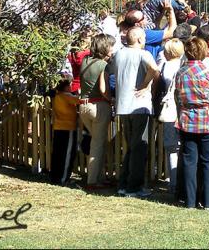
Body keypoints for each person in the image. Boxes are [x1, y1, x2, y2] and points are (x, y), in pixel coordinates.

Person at [106, 26, 159, 198]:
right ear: (138, 39)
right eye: (143, 37)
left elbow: (109, 71)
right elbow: (155, 69)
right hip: (139, 105)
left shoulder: (119, 54)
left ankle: (124, 184)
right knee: (139, 148)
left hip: (123, 106)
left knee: (131, 147)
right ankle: (134, 187)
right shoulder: (143, 54)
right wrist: (145, 85)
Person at [175, 36, 209, 210]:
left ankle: (189, 200)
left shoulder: (180, 72)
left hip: (187, 119)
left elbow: (177, 94)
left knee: (189, 161)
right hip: (208, 119)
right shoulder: (208, 71)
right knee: (208, 162)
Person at [78, 33, 114, 191]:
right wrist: (111, 100)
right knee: (98, 145)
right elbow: (103, 89)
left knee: (96, 141)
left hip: (83, 106)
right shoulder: (103, 65)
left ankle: (100, 177)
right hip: (98, 106)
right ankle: (93, 181)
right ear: (105, 47)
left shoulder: (85, 61)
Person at [157, 38, 184, 193]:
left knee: (171, 148)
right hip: (182, 109)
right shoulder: (182, 65)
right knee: (182, 147)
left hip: (169, 109)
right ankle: (179, 180)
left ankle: (173, 181)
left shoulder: (165, 66)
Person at [49, 77, 82, 186]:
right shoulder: (66, 96)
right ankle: (63, 178)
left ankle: (55, 176)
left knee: (57, 153)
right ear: (66, 87)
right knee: (67, 153)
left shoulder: (56, 96)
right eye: (70, 85)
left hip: (58, 127)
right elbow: (79, 100)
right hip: (68, 128)